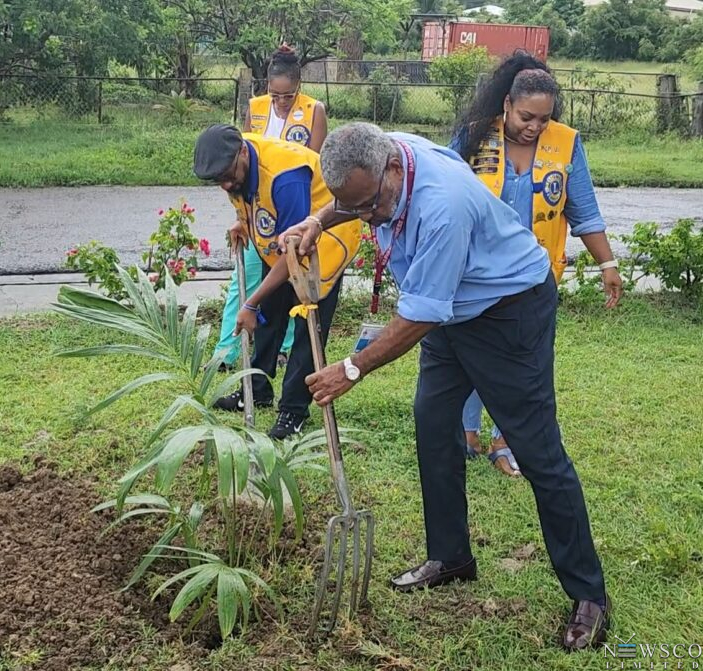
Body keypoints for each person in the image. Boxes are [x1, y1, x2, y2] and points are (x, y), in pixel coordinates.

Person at [281, 123, 610, 651]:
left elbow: (416, 317)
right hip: (453, 309)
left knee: (537, 450)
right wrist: (319, 218)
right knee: (434, 422)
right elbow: (355, 203)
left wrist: (351, 368)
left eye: (369, 205)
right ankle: (451, 555)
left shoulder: (442, 205)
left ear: (392, 169)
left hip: (508, 311)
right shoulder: (376, 153)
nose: (365, 218)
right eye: (354, 207)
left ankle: (589, 595)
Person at [451, 53, 623, 477]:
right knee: (469, 355)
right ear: (507, 104)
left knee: (528, 366)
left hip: (533, 282)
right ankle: (465, 432)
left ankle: (507, 441)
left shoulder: (566, 143)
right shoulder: (473, 137)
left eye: (543, 119)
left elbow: (584, 212)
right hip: (473, 278)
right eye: (527, 116)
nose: (535, 126)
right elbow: (440, 195)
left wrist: (608, 265)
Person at [193, 124, 361, 439]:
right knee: (269, 317)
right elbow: (256, 203)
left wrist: (250, 302)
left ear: (243, 152)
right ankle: (256, 391)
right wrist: (244, 222)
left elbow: (294, 251)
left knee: (306, 327)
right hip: (287, 242)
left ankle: (293, 411)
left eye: (229, 175)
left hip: (324, 240)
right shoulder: (236, 165)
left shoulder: (287, 178)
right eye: (219, 181)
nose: (227, 184)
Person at [212, 45, 329, 370]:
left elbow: (314, 163)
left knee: (292, 283)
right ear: (267, 88)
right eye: (274, 95)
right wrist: (242, 217)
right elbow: (240, 165)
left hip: (296, 204)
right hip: (261, 211)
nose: (280, 101)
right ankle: (226, 352)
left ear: (298, 87)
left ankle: (282, 348)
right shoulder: (256, 108)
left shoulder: (314, 110)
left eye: (287, 96)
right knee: (246, 282)